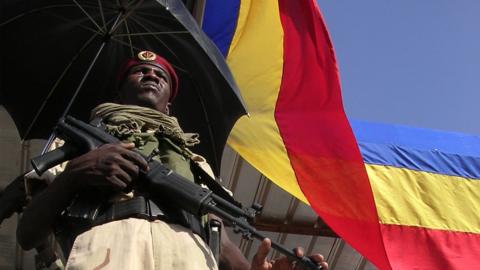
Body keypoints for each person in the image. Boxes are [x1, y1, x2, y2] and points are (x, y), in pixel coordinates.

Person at [17, 50, 328, 270]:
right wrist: (77, 172)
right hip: (108, 250)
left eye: (160, 75)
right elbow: (28, 233)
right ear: (120, 89)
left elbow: (221, 243)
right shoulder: (78, 142)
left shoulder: (196, 163)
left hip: (190, 257)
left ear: (169, 107)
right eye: (140, 71)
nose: (151, 73)